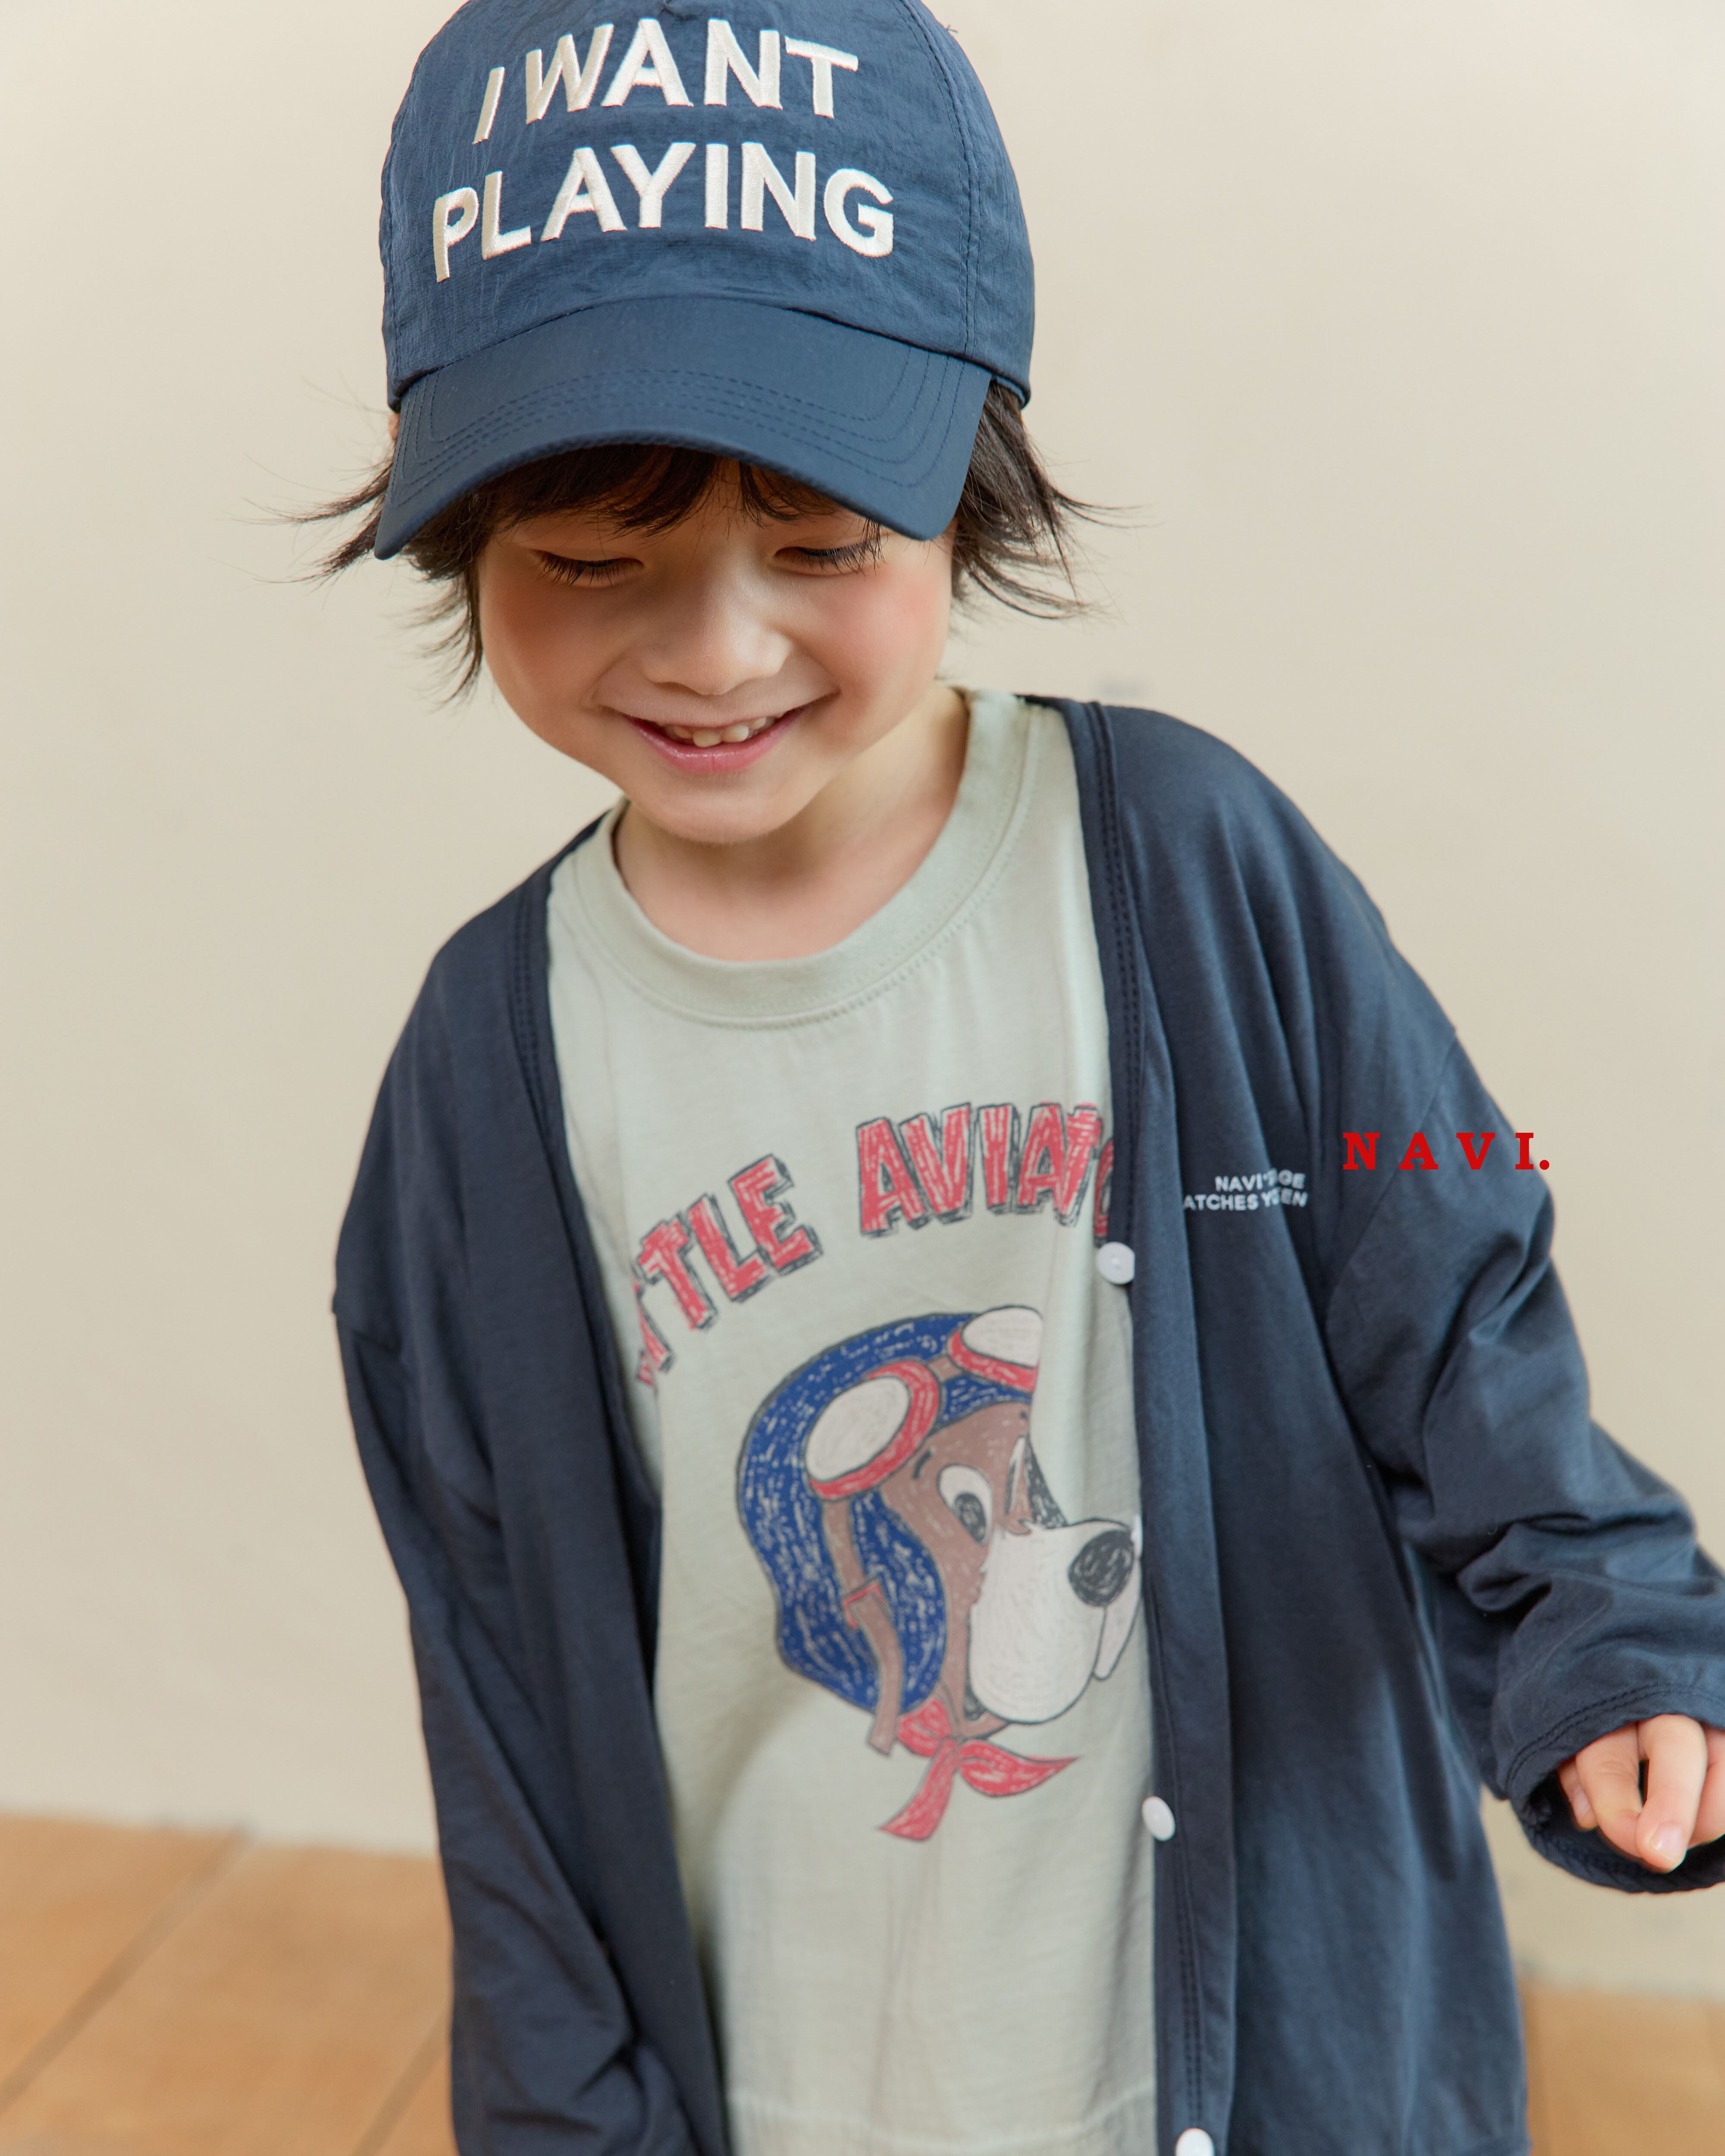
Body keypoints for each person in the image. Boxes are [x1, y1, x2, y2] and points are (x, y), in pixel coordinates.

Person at [321, 5, 1725, 2154]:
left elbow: (1456, 1289)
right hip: (799, 2080)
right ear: (455, 534)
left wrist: (1605, 1626)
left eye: (821, 543)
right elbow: (502, 1695)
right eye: (591, 564)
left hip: (1269, 2067)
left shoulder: (1195, 862)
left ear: (969, 480)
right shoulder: (481, 1071)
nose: (714, 649)